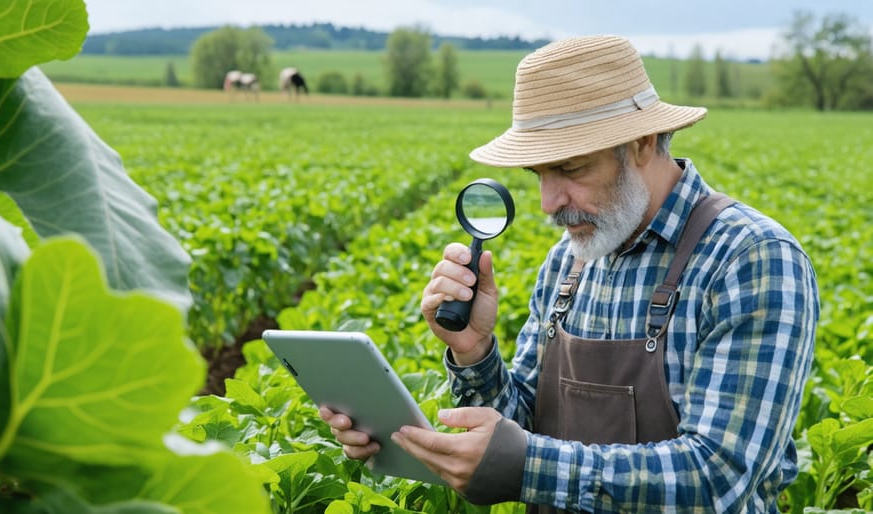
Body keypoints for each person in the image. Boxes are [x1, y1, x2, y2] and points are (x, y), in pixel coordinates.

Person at [320, 35, 818, 513]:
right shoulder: (568, 261)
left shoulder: (749, 259)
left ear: (642, 142)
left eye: (572, 168)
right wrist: (474, 353)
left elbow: (718, 477)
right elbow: (527, 426)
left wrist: (527, 465)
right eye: (539, 174)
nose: (547, 203)